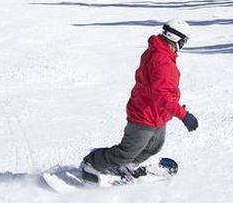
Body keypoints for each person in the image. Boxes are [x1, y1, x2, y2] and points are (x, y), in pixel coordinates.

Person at [81, 20, 198, 182]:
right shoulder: (161, 60)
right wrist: (184, 115)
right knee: (128, 150)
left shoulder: (162, 53)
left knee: (153, 146)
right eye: (184, 41)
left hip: (157, 113)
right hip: (144, 114)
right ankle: (91, 163)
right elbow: (162, 96)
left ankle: (126, 165)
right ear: (178, 39)